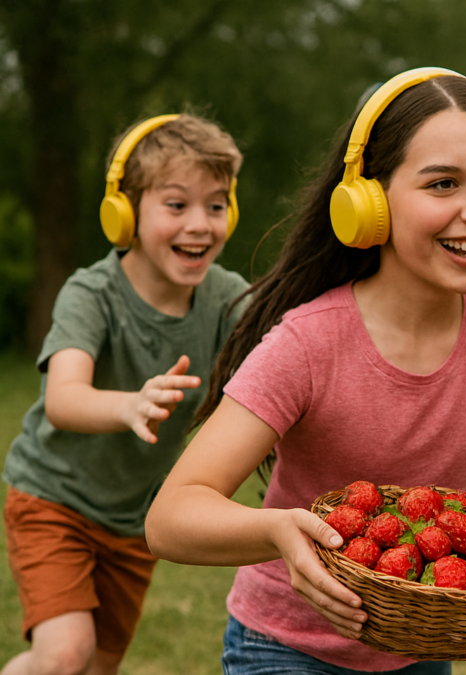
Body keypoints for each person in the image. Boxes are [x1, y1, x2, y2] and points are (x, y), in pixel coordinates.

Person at [143, 68, 466, 675]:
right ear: (368, 204)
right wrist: (279, 532)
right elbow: (171, 518)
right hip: (283, 650)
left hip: (422, 650)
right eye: (443, 184)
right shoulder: (306, 342)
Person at [2, 112, 249, 675]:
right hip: (54, 501)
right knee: (64, 654)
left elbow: (291, 338)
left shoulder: (229, 299)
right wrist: (128, 404)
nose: (201, 224)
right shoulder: (92, 293)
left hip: (134, 523)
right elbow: (64, 398)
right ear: (124, 213)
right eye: (177, 204)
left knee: (99, 666)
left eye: (216, 205)